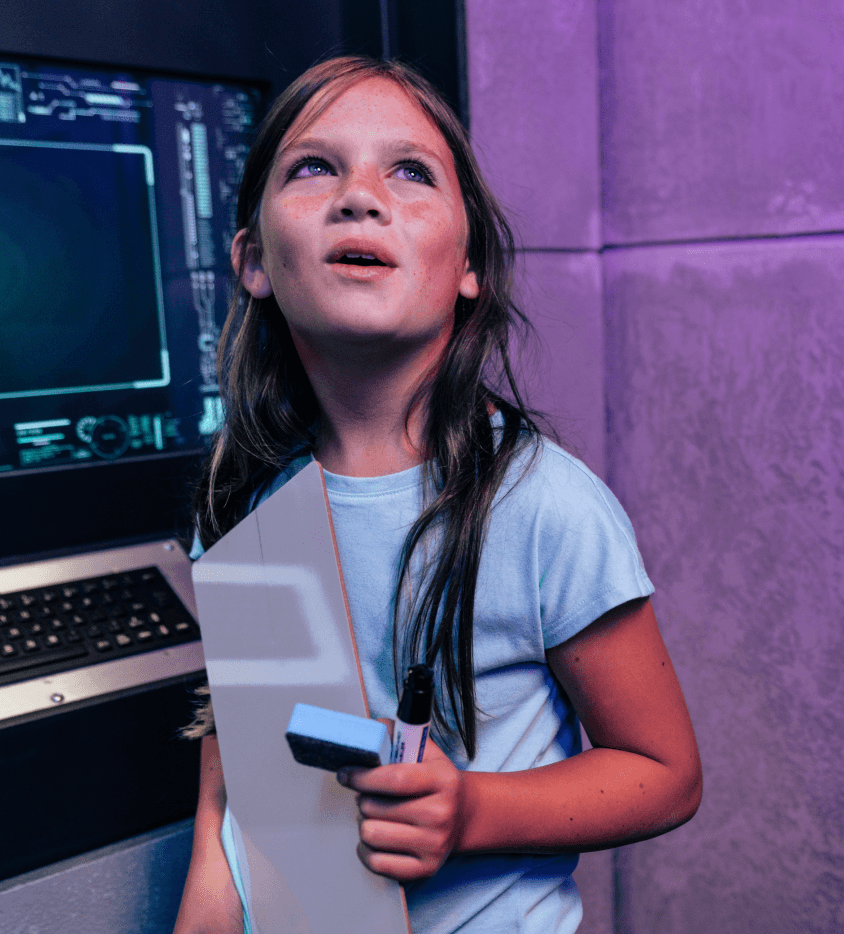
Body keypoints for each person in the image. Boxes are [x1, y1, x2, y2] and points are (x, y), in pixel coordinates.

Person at [172, 55, 701, 934]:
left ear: (469, 265)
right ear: (254, 260)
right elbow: (235, 807)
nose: (360, 196)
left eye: (410, 172)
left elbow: (664, 773)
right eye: (314, 167)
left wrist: (470, 813)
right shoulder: (240, 502)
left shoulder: (544, 506)